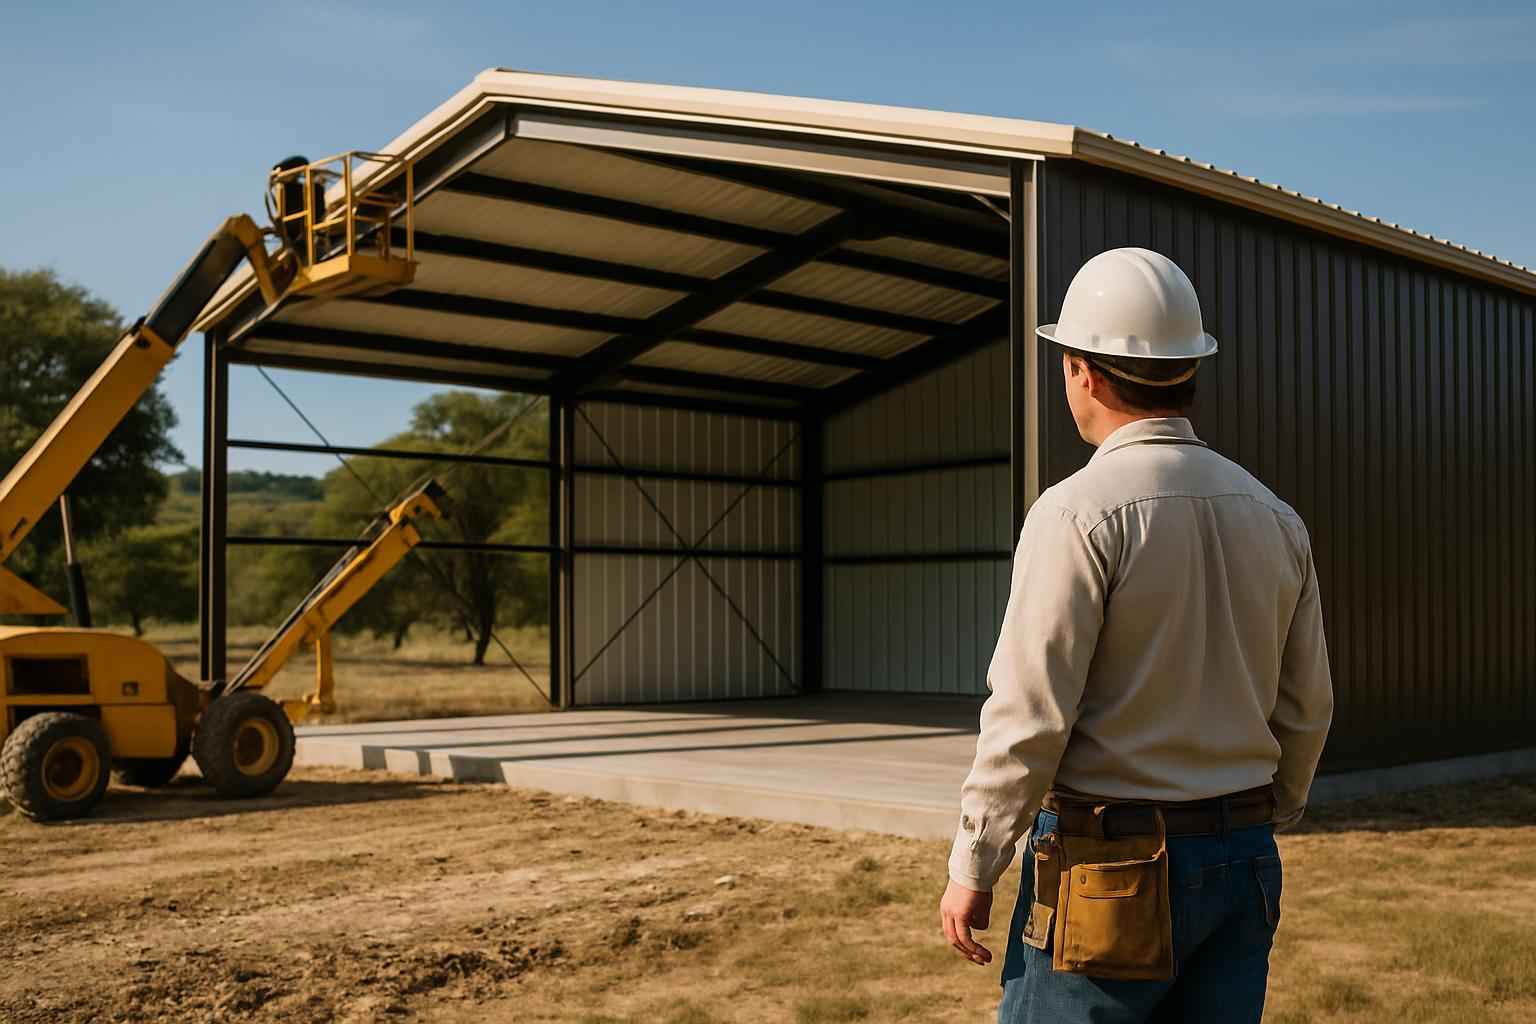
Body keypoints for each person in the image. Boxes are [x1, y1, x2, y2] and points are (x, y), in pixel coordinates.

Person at [937, 247, 1333, 1023]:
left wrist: (976, 862)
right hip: (1243, 856)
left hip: (1106, 873)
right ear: (1189, 366)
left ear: (1081, 369)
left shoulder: (1078, 513)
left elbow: (1030, 712)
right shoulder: (1275, 517)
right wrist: (1264, 815)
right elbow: (1307, 704)